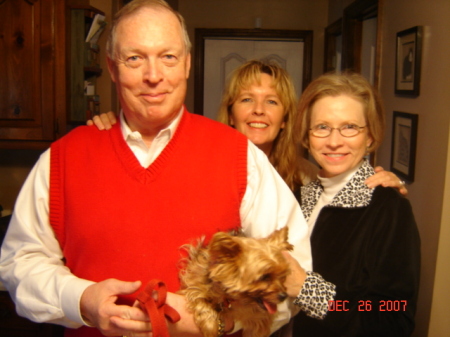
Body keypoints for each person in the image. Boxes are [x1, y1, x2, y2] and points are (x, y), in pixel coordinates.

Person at [0, 1, 333, 337]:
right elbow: (20, 263)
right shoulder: (61, 159)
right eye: (134, 58)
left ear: (187, 64)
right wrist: (81, 300)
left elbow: (292, 273)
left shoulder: (241, 157)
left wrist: (222, 322)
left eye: (168, 57)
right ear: (112, 68)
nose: (153, 75)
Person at [90, 60, 408, 196]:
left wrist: (384, 184)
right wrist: (116, 130)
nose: (258, 110)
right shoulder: (196, 163)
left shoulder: (309, 178)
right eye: (246, 99)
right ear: (230, 113)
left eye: (271, 101)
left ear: (285, 119)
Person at [290, 72, 420, 336]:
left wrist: (307, 289)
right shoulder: (301, 197)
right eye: (322, 127)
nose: (334, 141)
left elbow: (392, 318)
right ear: (307, 137)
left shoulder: (389, 209)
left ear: (370, 136)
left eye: (350, 127)